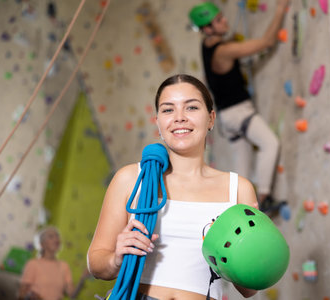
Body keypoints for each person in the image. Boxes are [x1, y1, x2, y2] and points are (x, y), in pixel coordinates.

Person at [87, 74, 258, 300]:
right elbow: (96, 264)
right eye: (168, 110)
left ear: (211, 118)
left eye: (192, 108)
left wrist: (240, 245)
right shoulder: (131, 179)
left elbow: (249, 290)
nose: (179, 118)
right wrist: (116, 259)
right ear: (158, 122)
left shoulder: (238, 189)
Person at [188, 0, 290, 208]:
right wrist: (280, 9)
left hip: (227, 117)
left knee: (241, 170)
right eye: (218, 20)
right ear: (207, 29)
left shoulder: (207, 46)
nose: (224, 20)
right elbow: (266, 42)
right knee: (270, 144)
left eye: (221, 16)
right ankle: (264, 197)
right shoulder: (224, 51)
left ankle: (241, 209)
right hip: (239, 112)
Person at [18, 226, 90, 300]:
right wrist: (30, 297)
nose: (56, 239)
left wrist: (82, 278)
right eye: (51, 236)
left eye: (57, 236)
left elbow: (72, 295)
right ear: (42, 244)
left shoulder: (64, 266)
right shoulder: (32, 264)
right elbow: (21, 295)